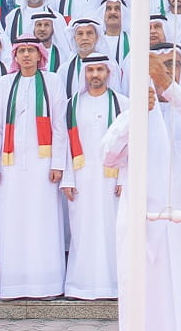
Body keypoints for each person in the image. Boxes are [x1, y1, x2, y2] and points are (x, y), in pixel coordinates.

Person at [101, 42, 181, 330]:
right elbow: (108, 155)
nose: (166, 73)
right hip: (143, 229)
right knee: (147, 299)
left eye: (173, 66)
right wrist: (136, 114)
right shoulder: (132, 116)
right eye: (160, 68)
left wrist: (169, 88)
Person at [0, 38, 68, 299]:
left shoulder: (53, 81)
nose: (25, 56)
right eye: (21, 51)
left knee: (42, 221)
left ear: (39, 55)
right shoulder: (4, 83)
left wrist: (58, 162)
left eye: (30, 51)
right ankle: (13, 285)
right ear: (15, 56)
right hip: (9, 166)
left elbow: (60, 126)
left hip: (43, 165)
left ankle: (46, 284)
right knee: (12, 221)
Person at [62, 54, 123, 301]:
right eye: (90, 70)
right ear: (84, 74)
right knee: (82, 230)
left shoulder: (124, 103)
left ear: (108, 73)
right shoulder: (72, 104)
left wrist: (124, 179)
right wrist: (67, 178)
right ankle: (81, 285)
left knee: (113, 230)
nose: (95, 75)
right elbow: (63, 144)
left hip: (114, 180)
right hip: (82, 178)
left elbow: (132, 144)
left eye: (100, 70)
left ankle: (115, 285)